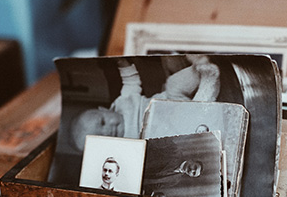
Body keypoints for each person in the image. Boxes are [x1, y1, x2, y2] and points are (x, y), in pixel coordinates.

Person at [70, 56, 221, 152]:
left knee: (173, 84)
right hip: (171, 125)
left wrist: (124, 65)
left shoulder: (122, 102)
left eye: (102, 123)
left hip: (170, 99)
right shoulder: (125, 145)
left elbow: (131, 82)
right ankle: (206, 94)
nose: (108, 131)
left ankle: (201, 70)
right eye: (101, 138)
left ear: (104, 109)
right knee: (185, 133)